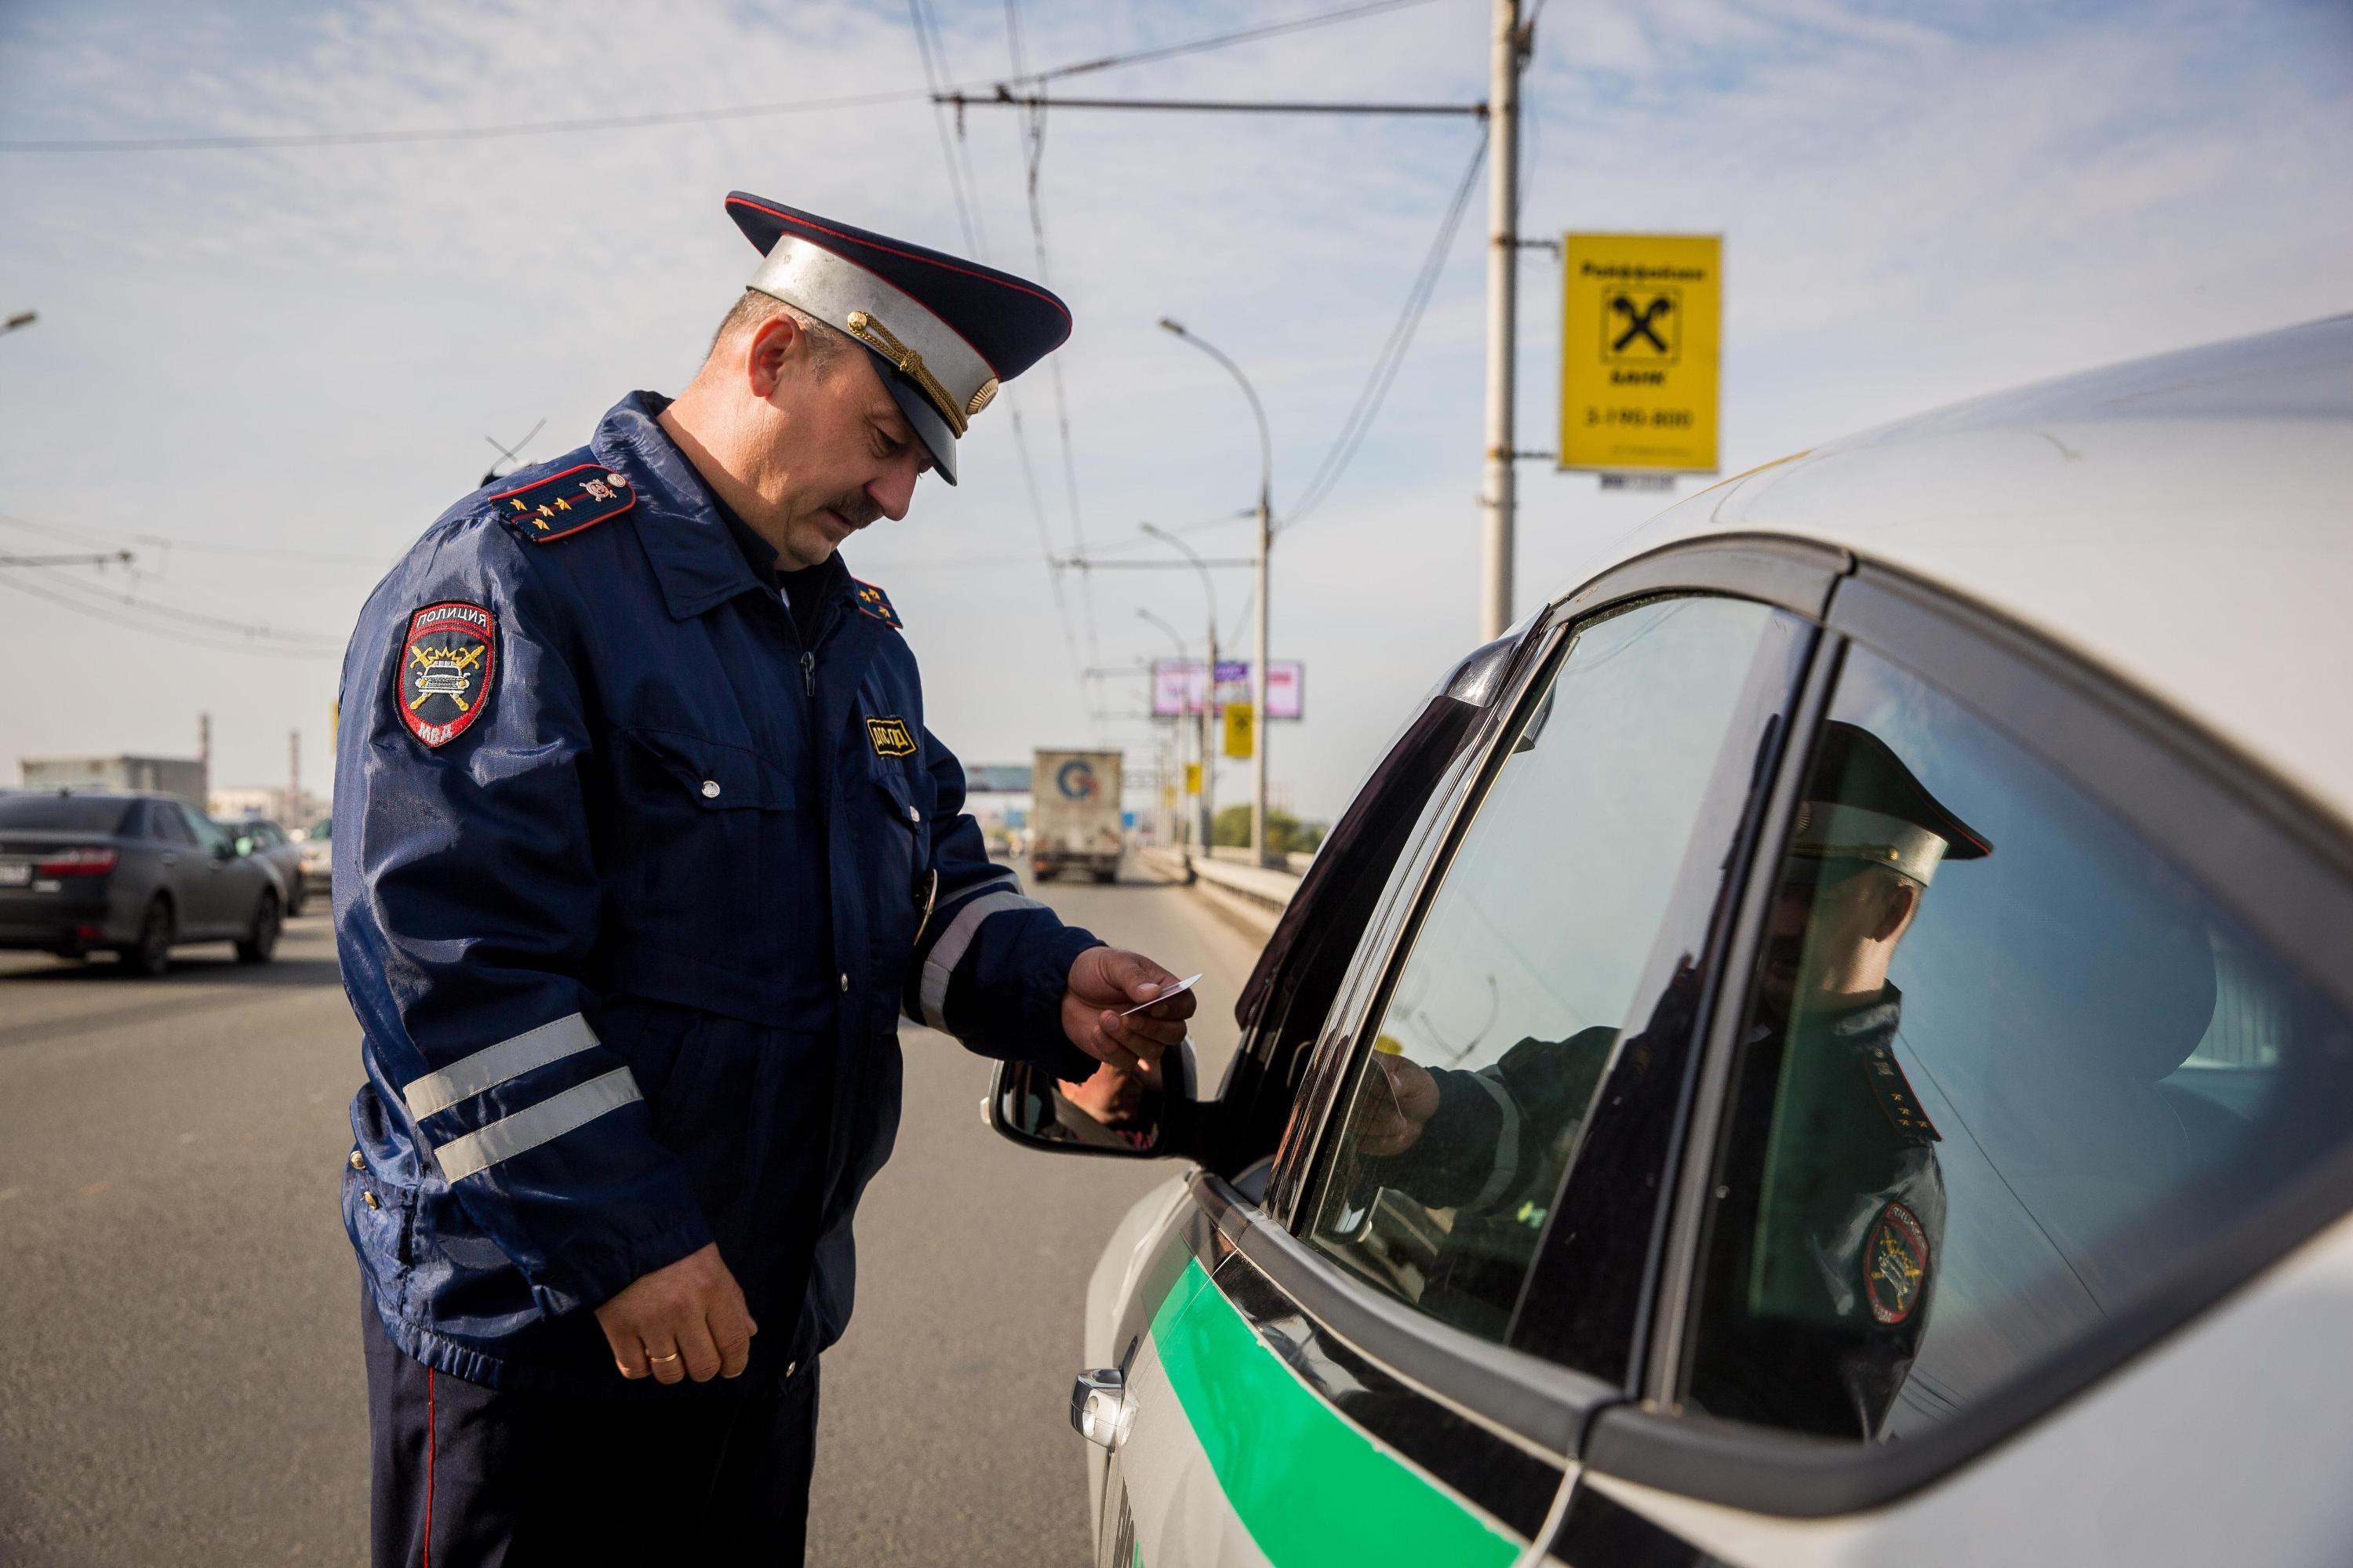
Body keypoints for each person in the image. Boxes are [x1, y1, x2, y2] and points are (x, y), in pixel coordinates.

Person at [335, 192, 1197, 1565]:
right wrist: (627, 1242)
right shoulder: (520, 575)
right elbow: (448, 957)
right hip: (546, 1337)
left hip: (751, 1324)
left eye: (924, 462)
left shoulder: (853, 632)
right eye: (886, 440)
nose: (899, 497)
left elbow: (920, 893)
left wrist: (1058, 987)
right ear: (774, 358)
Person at [1350, 722, 1988, 1433]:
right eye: (1759, 881)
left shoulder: (1876, 1158)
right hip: (1456, 1420)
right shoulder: (1663, 1048)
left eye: (1812, 890)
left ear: (1891, 908)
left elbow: (1786, 1440)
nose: (1774, 916)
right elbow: (1534, 1132)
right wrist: (1426, 1115)